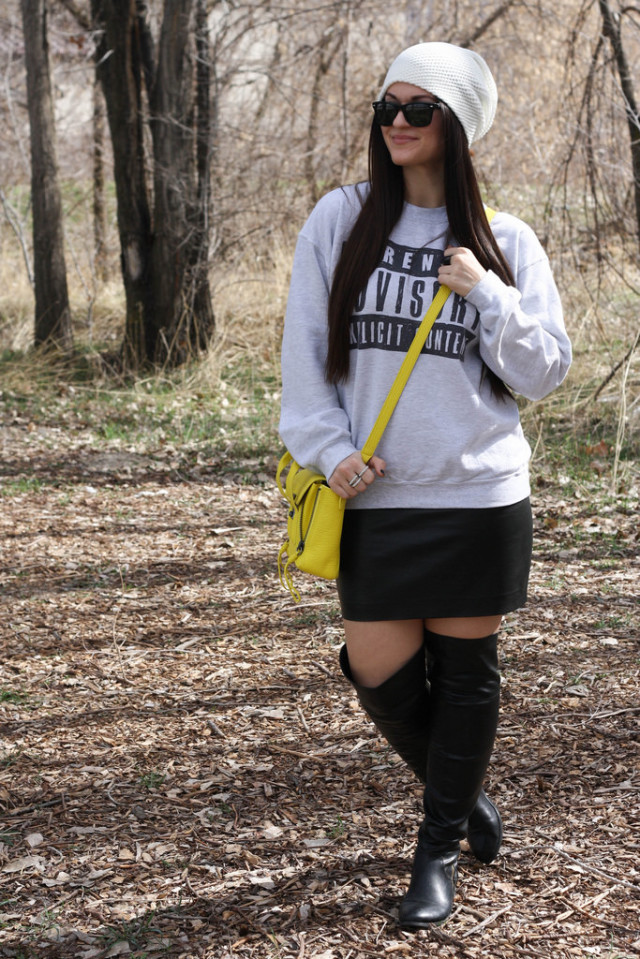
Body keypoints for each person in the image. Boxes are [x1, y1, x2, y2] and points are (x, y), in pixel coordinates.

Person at [279, 41, 571, 928]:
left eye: (420, 110)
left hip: (476, 495)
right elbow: (303, 368)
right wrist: (332, 453)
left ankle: (436, 848)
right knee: (376, 662)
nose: (397, 123)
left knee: (467, 672)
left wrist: (486, 292)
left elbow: (546, 368)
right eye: (388, 107)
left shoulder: (504, 241)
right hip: (374, 497)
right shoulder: (341, 221)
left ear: (458, 127)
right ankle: (467, 799)